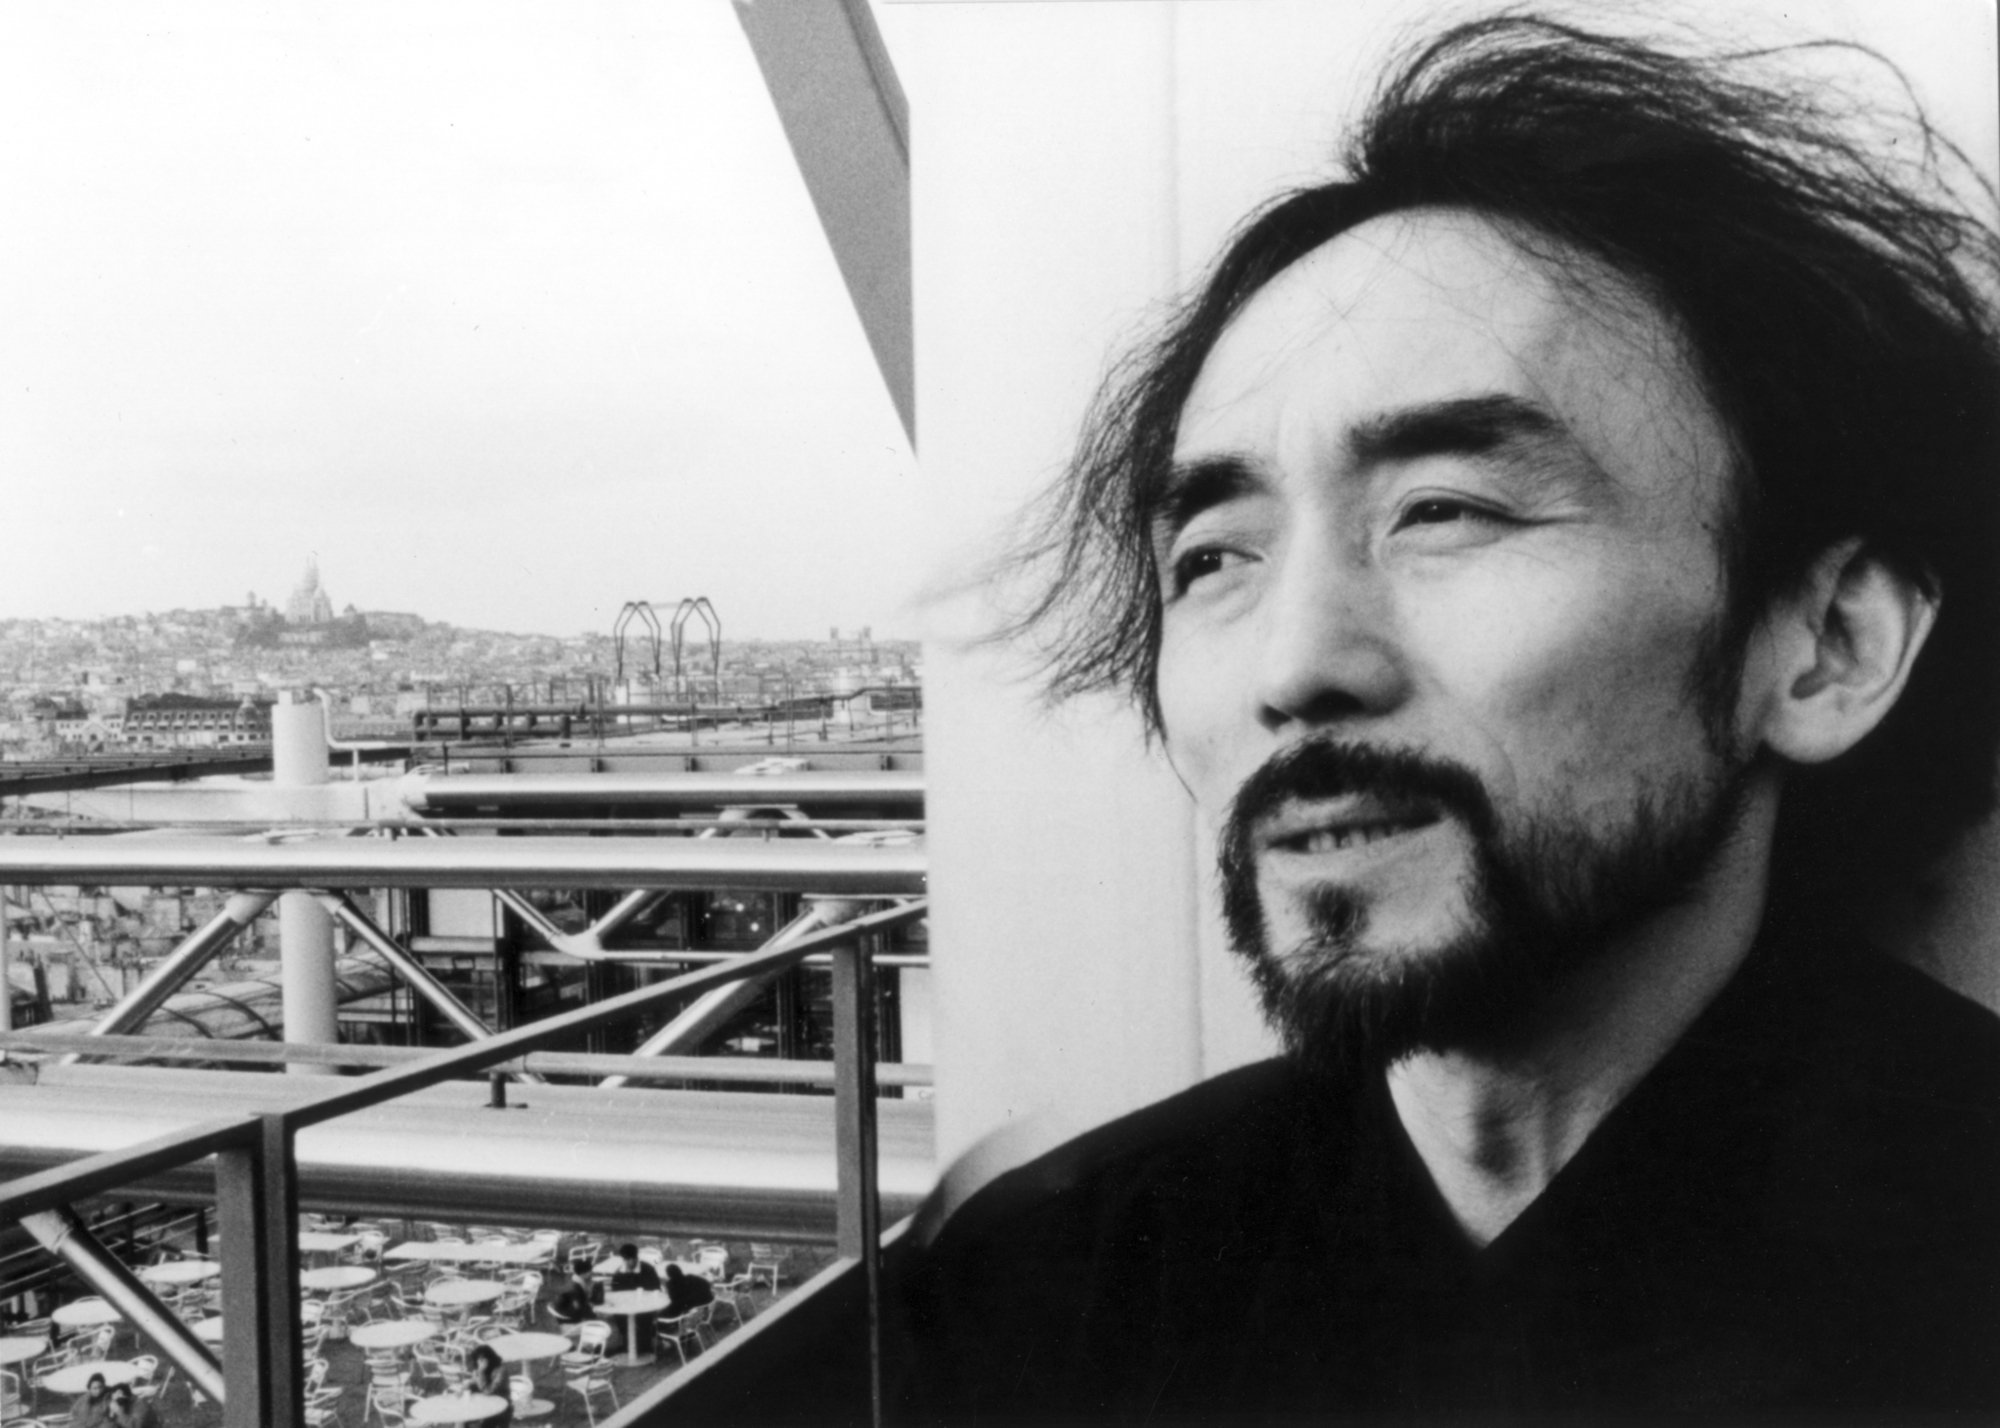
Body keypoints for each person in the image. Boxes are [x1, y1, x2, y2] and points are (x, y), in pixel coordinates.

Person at [890, 12, 2000, 1425]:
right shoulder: (1047, 1287)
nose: (1294, 663)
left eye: (1445, 511)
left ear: (1829, 646)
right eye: (1215, 557)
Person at [464, 1343, 513, 1428]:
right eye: (479, 1360)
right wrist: (466, 1386)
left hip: (501, 1407)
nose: (481, 1362)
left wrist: (481, 1372)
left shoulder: (501, 1370)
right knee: (464, 1420)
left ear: (490, 1358)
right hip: (484, 1405)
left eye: (483, 1359)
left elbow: (488, 1391)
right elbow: (473, 1383)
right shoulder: (478, 1370)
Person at [546, 1260, 598, 1333]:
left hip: (563, 1309)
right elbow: (578, 1308)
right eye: (590, 1272)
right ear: (585, 1272)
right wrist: (594, 1315)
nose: (591, 1274)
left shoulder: (573, 1278)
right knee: (596, 1324)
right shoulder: (575, 1288)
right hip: (568, 1318)